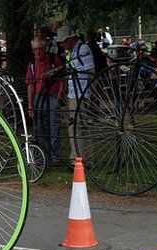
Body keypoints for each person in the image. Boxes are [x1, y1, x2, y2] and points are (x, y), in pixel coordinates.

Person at [56, 26, 94, 162]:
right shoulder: (72, 52)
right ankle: (86, 159)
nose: (61, 44)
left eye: (63, 41)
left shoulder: (83, 49)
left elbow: (92, 73)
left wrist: (90, 94)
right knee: (81, 128)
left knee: (76, 128)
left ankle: (77, 160)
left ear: (71, 39)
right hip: (74, 94)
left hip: (81, 95)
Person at [26, 36, 64, 165]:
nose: (37, 52)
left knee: (54, 127)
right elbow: (30, 85)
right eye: (35, 49)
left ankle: (55, 158)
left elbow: (62, 80)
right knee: (39, 128)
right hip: (38, 97)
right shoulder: (32, 65)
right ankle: (41, 157)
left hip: (52, 96)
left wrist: (59, 96)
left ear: (45, 48)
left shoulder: (54, 60)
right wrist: (30, 105)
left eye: (40, 49)